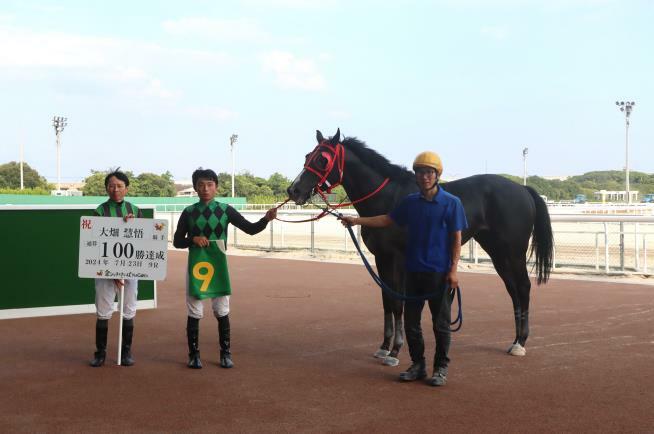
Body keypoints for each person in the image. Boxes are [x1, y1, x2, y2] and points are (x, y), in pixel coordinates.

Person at [341, 151, 467, 386]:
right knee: (411, 324)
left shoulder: (452, 203)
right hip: (413, 272)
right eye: (420, 172)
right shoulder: (410, 202)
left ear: (437, 175)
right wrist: (356, 220)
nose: (424, 177)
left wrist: (453, 271)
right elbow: (386, 220)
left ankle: (440, 369)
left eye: (429, 172)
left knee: (440, 325)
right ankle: (418, 365)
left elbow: (456, 238)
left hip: (439, 274)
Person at [173, 168, 278, 369]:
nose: (205, 189)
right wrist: (193, 239)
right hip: (196, 266)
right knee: (195, 310)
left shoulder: (225, 210)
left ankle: (225, 353)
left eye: (210, 184)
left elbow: (251, 229)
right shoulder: (188, 212)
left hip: (219, 265)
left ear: (216, 187)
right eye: (201, 185)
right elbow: (177, 241)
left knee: (221, 310)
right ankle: (194, 355)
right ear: (195, 187)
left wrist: (266, 219)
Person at [90, 169, 144, 367]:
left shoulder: (136, 211)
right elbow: (96, 243)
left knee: (129, 308)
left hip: (130, 269)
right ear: (106, 188)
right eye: (111, 186)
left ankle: (126, 352)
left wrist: (132, 225)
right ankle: (100, 353)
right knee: (103, 310)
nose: (115, 189)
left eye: (120, 186)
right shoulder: (99, 211)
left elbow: (143, 240)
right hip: (104, 270)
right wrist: (112, 271)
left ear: (126, 189)